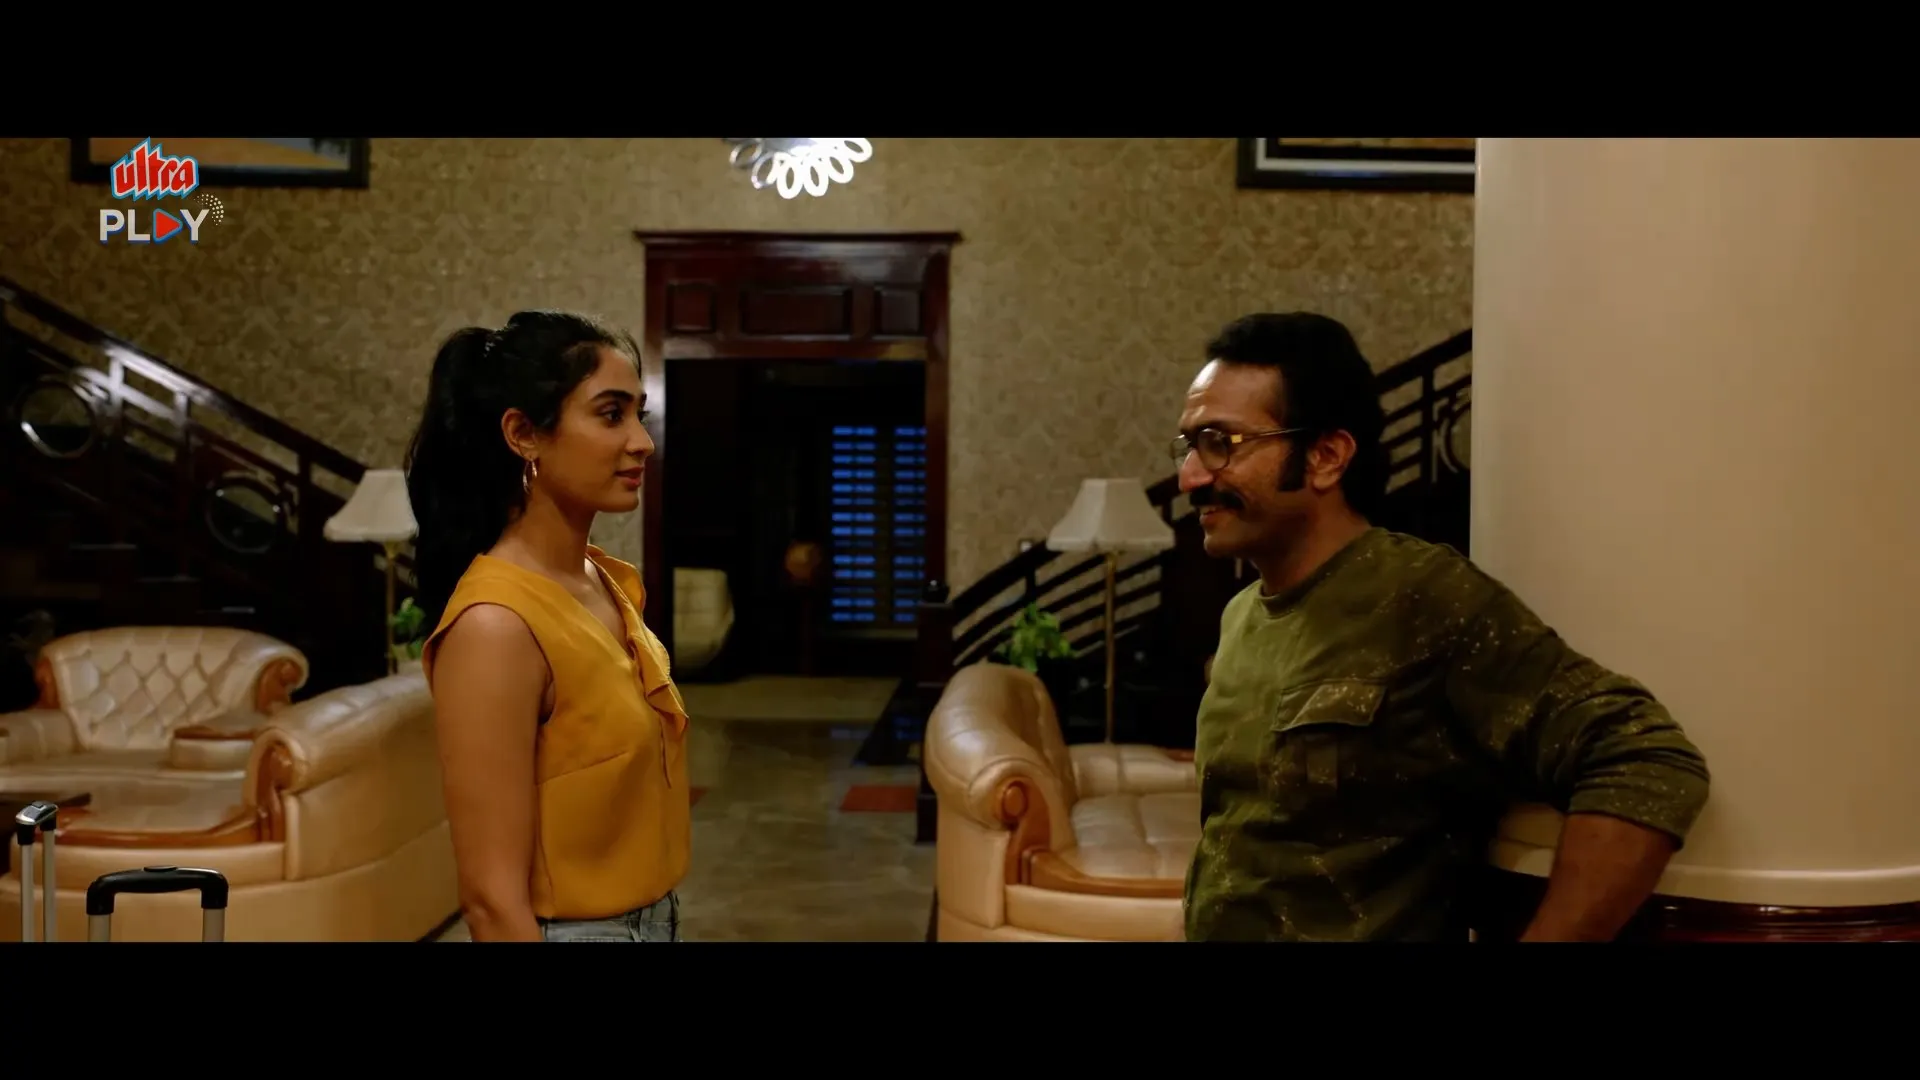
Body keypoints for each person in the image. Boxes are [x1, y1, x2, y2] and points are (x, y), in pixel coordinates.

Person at [1174, 312, 1711, 942]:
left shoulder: (1421, 596)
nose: (1190, 477)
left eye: (1220, 443)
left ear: (1324, 457)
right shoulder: (1241, 615)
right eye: (1188, 446)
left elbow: (1645, 758)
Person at [404, 311, 689, 943]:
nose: (641, 442)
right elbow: (491, 901)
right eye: (611, 415)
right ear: (524, 434)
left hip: (653, 921)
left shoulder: (603, 581)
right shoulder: (496, 626)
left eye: (638, 415)